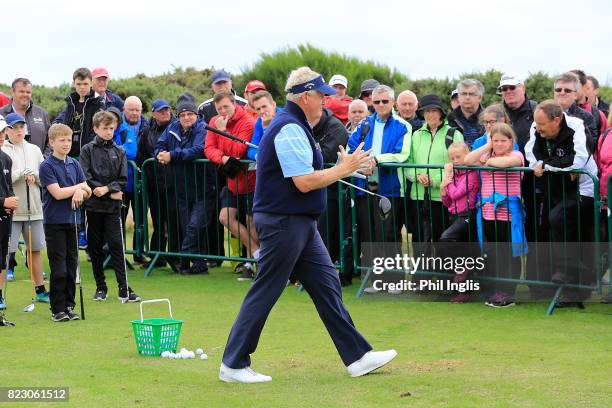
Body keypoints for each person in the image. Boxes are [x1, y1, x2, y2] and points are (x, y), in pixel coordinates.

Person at [220, 66, 396, 384]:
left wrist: (348, 167)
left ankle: (357, 356)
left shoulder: (297, 125)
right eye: (321, 96)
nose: (326, 101)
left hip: (299, 223)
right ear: (305, 96)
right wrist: (344, 169)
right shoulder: (288, 127)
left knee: (327, 286)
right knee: (267, 289)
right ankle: (233, 364)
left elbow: (312, 172)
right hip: (284, 221)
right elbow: (304, 182)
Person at [525, 100, 598, 304]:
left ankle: (569, 271)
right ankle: (570, 281)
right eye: (536, 125)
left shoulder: (576, 125)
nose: (538, 130)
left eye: (542, 125)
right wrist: (553, 166)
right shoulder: (535, 126)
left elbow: (577, 162)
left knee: (558, 218)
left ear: (557, 120)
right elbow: (532, 158)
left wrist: (546, 165)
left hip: (584, 188)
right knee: (552, 225)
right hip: (557, 186)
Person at [347, 85, 412, 293]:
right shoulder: (364, 124)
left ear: (393, 102)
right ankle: (377, 279)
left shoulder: (403, 126)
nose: (381, 105)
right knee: (369, 235)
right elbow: (350, 149)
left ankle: (393, 280)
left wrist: (376, 159)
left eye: (385, 101)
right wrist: (361, 162)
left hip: (391, 189)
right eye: (377, 102)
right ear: (371, 104)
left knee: (389, 234)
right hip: (364, 188)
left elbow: (402, 154)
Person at [465, 123, 527, 308]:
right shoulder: (486, 154)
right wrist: (487, 147)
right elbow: (468, 160)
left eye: (503, 140)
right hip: (487, 213)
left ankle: (508, 293)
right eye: (495, 140)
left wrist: (488, 161)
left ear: (511, 141)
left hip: (508, 214)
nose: (499, 144)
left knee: (509, 253)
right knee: (492, 254)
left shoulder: (517, 155)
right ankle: (494, 290)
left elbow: (505, 164)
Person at [80, 111, 140, 302]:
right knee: (95, 247)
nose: (108, 132)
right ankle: (101, 286)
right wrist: (98, 189)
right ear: (96, 128)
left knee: (116, 245)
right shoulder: (87, 150)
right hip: (92, 207)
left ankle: (124, 287)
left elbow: (122, 180)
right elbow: (86, 176)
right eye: (105, 128)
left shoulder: (120, 151)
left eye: (111, 128)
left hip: (112, 207)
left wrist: (106, 188)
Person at [409, 94, 463, 288]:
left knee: (441, 239)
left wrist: (437, 180)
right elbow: (409, 163)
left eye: (434, 110)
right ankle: (421, 280)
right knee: (421, 240)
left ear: (441, 112)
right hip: (418, 195)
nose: (430, 114)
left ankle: (443, 280)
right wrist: (417, 176)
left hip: (443, 196)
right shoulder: (416, 135)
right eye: (427, 111)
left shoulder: (453, 134)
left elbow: (458, 164)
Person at [39, 124, 92, 322]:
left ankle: (69, 306)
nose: (66, 144)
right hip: (54, 222)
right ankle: (57, 309)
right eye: (62, 140)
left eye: (69, 140)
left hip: (73, 221)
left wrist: (81, 191)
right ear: (52, 142)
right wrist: (79, 188)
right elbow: (58, 193)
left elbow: (88, 191)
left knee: (71, 266)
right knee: (59, 267)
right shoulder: (46, 166)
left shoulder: (74, 164)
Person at [204, 90, 259, 281]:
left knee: (252, 224)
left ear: (234, 104)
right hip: (232, 180)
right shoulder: (214, 122)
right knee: (225, 217)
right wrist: (224, 158)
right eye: (219, 108)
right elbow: (209, 149)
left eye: (226, 106)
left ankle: (257, 263)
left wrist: (224, 131)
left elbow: (239, 149)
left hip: (252, 180)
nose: (222, 111)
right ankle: (258, 255)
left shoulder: (247, 122)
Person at [155, 93, 211, 275]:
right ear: (178, 116)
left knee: (195, 226)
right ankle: (199, 264)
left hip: (203, 186)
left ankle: (183, 258)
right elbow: (160, 144)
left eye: (190, 114)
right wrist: (160, 154)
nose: (186, 117)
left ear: (196, 114)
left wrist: (172, 155)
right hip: (181, 188)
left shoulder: (203, 128)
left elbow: (197, 150)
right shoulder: (172, 127)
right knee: (188, 226)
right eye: (182, 114)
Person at [1, 113, 49, 302]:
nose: (19, 130)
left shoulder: (35, 149)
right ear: (8, 130)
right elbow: (5, 177)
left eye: (22, 127)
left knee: (35, 250)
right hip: (11, 212)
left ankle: (40, 290)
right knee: (5, 253)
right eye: (15, 127)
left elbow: (44, 175)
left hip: (34, 210)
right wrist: (22, 173)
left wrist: (34, 175)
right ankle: (0, 296)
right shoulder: (3, 149)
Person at [137, 99, 177, 269]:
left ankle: (176, 257)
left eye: (167, 110)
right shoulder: (147, 131)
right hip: (155, 184)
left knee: (174, 222)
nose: (165, 113)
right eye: (161, 111)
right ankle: (157, 256)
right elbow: (141, 156)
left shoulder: (176, 127)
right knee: (158, 221)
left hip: (174, 183)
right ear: (153, 113)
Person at [439, 142, 479, 303]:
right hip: (454, 215)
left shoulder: (471, 174)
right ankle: (464, 292)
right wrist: (443, 188)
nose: (455, 161)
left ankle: (464, 267)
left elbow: (455, 194)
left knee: (446, 238)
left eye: (459, 157)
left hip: (468, 215)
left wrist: (445, 181)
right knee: (465, 250)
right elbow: (448, 202)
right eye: (452, 158)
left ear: (467, 155)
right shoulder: (454, 175)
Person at [119, 96, 149, 264]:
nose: (134, 113)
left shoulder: (147, 125)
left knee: (141, 218)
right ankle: (119, 253)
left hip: (141, 179)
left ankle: (139, 253)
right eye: (131, 109)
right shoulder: (117, 126)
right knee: (120, 218)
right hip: (122, 181)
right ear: (124, 109)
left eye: (137, 110)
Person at [54, 67, 105, 158]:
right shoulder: (71, 102)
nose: (82, 87)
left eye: (85, 84)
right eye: (79, 84)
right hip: (69, 153)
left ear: (91, 83)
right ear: (74, 84)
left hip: (89, 154)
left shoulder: (98, 102)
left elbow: (98, 129)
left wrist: (88, 148)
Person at [0, 78, 51, 153]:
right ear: (13, 92)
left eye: (28, 92)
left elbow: (51, 140)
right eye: (21, 91)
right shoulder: (1, 114)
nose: (25, 95)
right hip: (8, 164)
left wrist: (43, 160)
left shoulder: (42, 114)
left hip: (39, 163)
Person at [0, 115, 19, 310]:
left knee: (1, 259)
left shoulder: (5, 158)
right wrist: (4, 201)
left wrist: (11, 201)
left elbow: (8, 187)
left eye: (3, 131)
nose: (1, 135)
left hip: (4, 217)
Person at [552, 72, 598, 146]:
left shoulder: (586, 117)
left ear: (575, 95)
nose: (562, 93)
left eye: (567, 90)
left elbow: (589, 146)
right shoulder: (544, 113)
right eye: (558, 90)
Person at [447, 79, 485, 147]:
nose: (467, 97)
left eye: (471, 94)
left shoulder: (489, 119)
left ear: (480, 98)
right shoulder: (449, 119)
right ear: (458, 97)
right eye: (464, 94)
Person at [570, 69, 607, 137]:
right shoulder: (558, 110)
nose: (569, 89)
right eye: (559, 89)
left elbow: (603, 143)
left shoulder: (599, 115)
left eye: (574, 86)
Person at [246, 91, 280, 161]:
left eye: (264, 106)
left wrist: (266, 127)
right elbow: (252, 149)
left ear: (273, 105)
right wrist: (259, 157)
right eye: (258, 109)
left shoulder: (285, 117)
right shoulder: (259, 122)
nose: (262, 111)